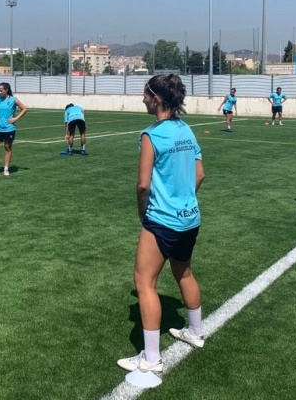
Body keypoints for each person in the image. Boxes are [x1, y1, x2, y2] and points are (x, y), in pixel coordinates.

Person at [117, 74, 206, 374]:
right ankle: (195, 332)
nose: (142, 99)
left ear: (156, 99)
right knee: (184, 273)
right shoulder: (186, 129)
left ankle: (151, 359)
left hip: (162, 222)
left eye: (145, 94)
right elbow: (200, 174)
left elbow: (142, 186)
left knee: (144, 283)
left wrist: (144, 215)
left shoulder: (150, 135)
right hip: (190, 219)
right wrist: (183, 200)